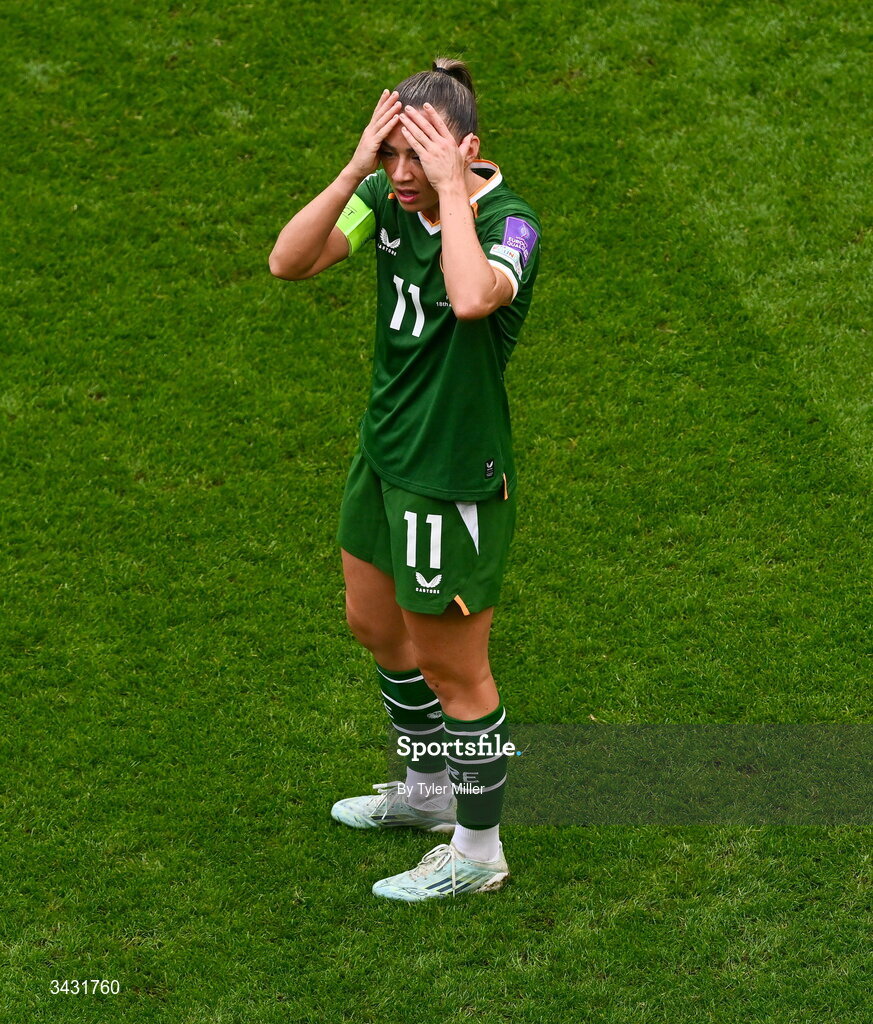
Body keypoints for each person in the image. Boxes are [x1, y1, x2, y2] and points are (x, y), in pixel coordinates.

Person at [269, 57, 541, 901]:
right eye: (389, 157)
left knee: (453, 668)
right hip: (383, 454)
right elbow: (291, 261)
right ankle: (426, 795)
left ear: (464, 150)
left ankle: (477, 849)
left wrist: (451, 191)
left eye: (413, 159)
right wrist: (356, 167)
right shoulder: (385, 191)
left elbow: (469, 298)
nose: (399, 178)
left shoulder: (510, 223)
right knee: (376, 628)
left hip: (450, 476)